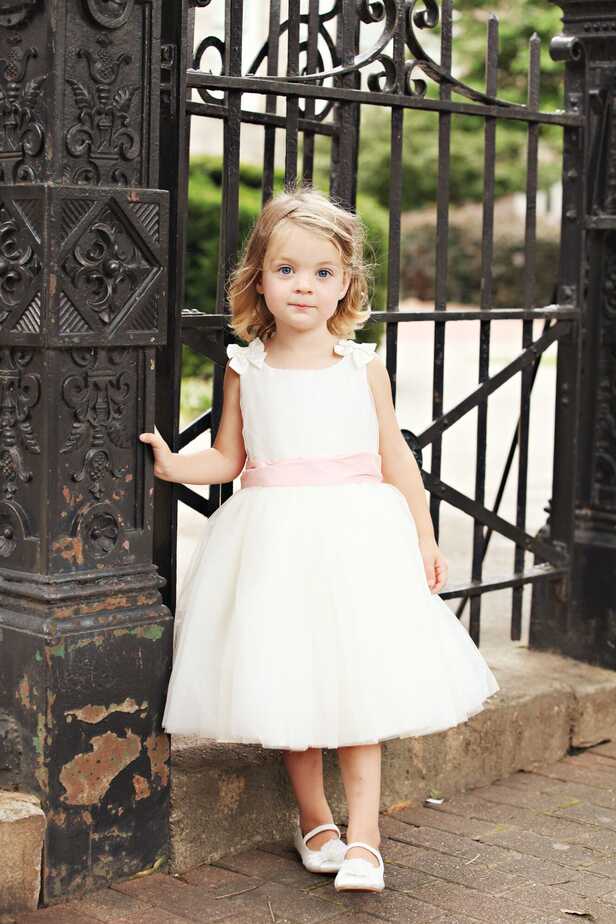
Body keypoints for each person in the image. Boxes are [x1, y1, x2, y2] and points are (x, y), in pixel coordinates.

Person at [139, 186, 500, 894]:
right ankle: (316, 821)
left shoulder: (359, 363)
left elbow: (396, 457)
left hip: (355, 540)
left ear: (346, 284)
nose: (304, 285)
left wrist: (423, 535)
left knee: (358, 691)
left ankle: (366, 839)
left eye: (322, 272)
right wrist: (176, 464)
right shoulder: (250, 366)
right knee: (289, 689)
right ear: (259, 278)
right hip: (274, 543)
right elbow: (229, 458)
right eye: (286, 270)